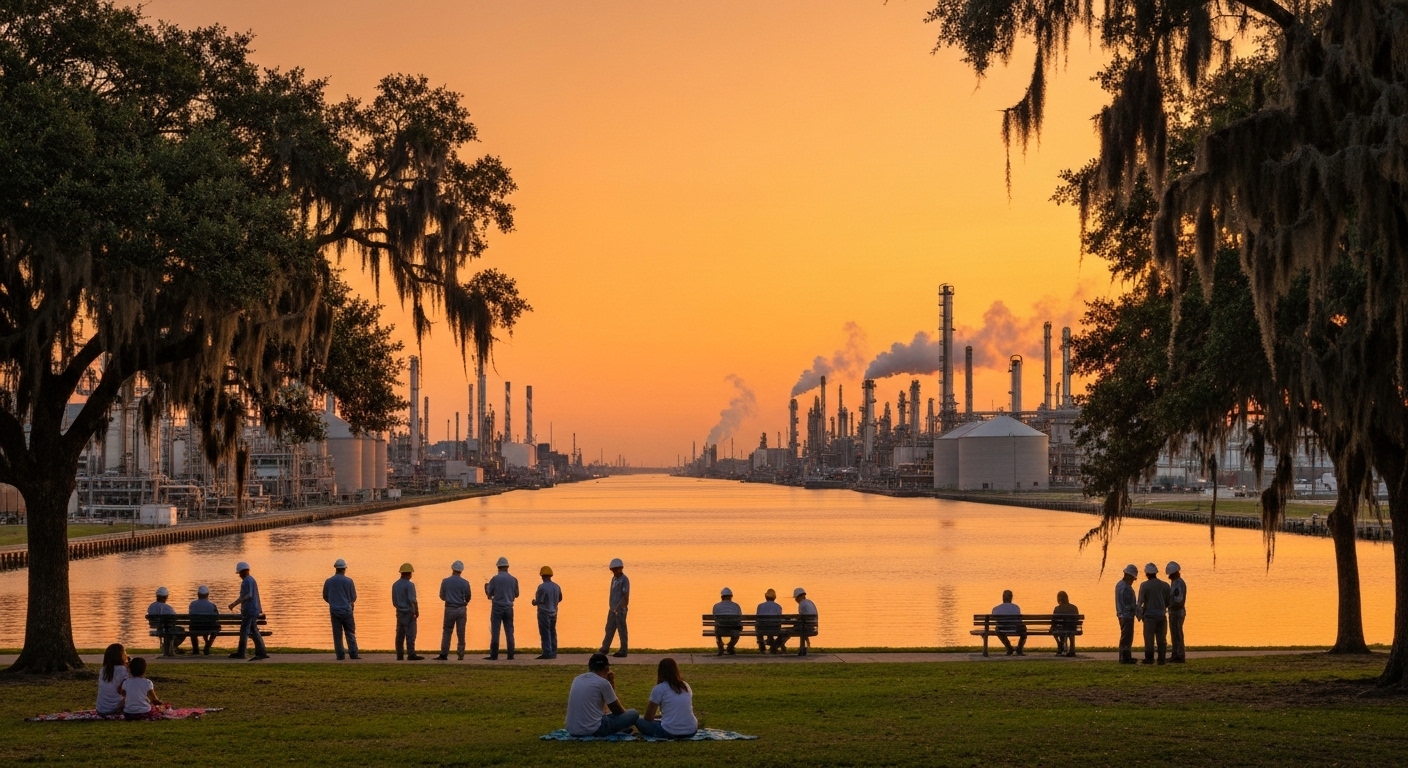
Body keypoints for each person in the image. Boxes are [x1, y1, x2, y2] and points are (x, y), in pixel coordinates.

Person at [565, 653, 639, 737]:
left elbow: (602, 711)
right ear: (607, 668)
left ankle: (618, 728)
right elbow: (618, 711)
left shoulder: (577, 679)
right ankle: (617, 728)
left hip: (572, 729)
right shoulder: (603, 683)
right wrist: (611, 683)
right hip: (594, 730)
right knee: (633, 714)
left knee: (607, 716)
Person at [637, 657, 699, 739]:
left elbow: (648, 718)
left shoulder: (659, 689)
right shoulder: (686, 686)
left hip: (669, 731)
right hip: (691, 730)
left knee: (635, 718)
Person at [227, 562, 269, 660]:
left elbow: (249, 595)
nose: (240, 576)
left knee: (244, 631)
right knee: (253, 630)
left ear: (243, 572)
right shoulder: (252, 580)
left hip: (250, 610)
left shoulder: (247, 581)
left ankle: (241, 653)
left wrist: (234, 604)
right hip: (254, 609)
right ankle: (261, 652)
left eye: (240, 573)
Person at [323, 558, 359, 661]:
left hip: (334, 610)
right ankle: (353, 654)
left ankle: (340, 655)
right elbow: (353, 597)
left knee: (337, 634)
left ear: (336, 568)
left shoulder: (328, 581)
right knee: (350, 632)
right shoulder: (349, 581)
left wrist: (333, 602)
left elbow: (325, 596)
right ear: (344, 569)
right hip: (347, 610)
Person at [1137, 562, 1172, 665]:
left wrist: (1139, 614)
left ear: (1146, 574)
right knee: (1162, 639)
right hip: (1161, 615)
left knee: (1149, 639)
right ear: (1156, 573)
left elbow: (1140, 602)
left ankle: (1149, 658)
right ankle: (1161, 659)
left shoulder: (1144, 585)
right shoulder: (1165, 585)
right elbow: (1169, 601)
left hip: (1149, 617)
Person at [484, 556, 519, 660]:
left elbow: (489, 594)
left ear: (498, 567)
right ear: (507, 567)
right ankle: (511, 654)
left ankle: (494, 655)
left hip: (497, 607)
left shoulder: (495, 579)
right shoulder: (514, 579)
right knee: (509, 631)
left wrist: (486, 588)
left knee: (495, 631)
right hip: (509, 607)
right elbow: (517, 594)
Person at [437, 560, 471, 661]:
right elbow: (468, 596)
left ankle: (444, 654)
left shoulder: (445, 581)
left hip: (449, 608)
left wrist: (449, 598)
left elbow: (442, 596)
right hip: (461, 608)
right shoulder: (465, 583)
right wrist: (464, 602)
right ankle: (460, 654)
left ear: (452, 569)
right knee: (461, 632)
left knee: (447, 631)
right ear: (461, 570)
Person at [599, 558, 630, 658]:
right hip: (612, 609)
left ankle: (623, 650)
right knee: (609, 628)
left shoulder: (624, 580)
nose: (614, 572)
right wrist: (612, 608)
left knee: (622, 630)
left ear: (620, 569)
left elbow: (625, 596)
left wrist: (619, 607)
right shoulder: (614, 579)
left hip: (620, 610)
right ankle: (604, 648)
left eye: (615, 570)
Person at [774, 587, 818, 656]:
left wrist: (791, 620)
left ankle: (775, 647)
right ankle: (779, 646)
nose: (795, 600)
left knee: (784, 631)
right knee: (788, 631)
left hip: (805, 627)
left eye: (796, 598)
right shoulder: (810, 602)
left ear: (798, 597)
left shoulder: (802, 604)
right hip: (811, 626)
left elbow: (801, 618)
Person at [392, 562, 423, 660]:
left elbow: (394, 601)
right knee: (410, 634)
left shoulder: (395, 585)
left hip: (399, 612)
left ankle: (399, 655)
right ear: (409, 573)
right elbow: (412, 600)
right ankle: (411, 654)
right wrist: (416, 611)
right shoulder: (410, 585)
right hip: (408, 612)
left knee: (399, 634)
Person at [533, 565, 563, 660]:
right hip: (554, 612)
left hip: (544, 612)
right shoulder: (556, 586)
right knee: (552, 632)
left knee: (545, 633)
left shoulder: (542, 587)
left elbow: (539, 600)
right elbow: (560, 598)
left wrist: (534, 602)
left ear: (542, 576)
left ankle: (547, 652)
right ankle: (553, 651)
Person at [146, 586, 183, 656]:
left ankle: (169, 648)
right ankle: (172, 647)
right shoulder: (167, 607)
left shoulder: (151, 606)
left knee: (170, 630)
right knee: (181, 630)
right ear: (166, 597)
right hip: (167, 628)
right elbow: (175, 617)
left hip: (157, 628)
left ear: (157, 596)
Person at [96, 643, 129, 716]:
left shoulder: (103, 669)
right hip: (114, 709)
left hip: (100, 709)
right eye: (125, 653)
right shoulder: (123, 671)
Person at [991, 589, 1027, 656]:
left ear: (1003, 598)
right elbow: (1018, 620)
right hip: (1015, 628)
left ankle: (1009, 648)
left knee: (998, 629)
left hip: (1002, 629)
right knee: (1024, 629)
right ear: (1011, 597)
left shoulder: (996, 608)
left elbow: (994, 619)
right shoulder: (1016, 607)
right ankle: (1019, 649)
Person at [187, 585, 220, 655]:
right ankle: (207, 647)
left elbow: (190, 616)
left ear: (198, 594)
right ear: (207, 594)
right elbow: (217, 617)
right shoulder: (212, 605)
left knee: (191, 627)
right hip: (209, 627)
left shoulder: (192, 604)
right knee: (217, 627)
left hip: (195, 628)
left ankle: (195, 649)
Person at [1115, 563, 1138, 664]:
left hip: (1122, 614)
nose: (1133, 581)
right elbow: (1126, 603)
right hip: (1126, 615)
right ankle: (1124, 657)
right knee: (1127, 637)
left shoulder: (1119, 585)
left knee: (1126, 636)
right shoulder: (1125, 588)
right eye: (1133, 578)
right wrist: (1135, 609)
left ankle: (1126, 656)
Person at [711, 587, 743, 656]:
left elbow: (715, 618)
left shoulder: (716, 606)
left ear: (722, 597)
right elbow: (739, 618)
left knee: (716, 626)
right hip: (733, 630)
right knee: (738, 628)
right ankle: (730, 647)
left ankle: (720, 647)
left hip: (720, 630)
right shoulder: (736, 606)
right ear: (731, 596)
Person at [1168, 561, 1187, 663]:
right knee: (1175, 634)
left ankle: (1179, 655)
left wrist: (1171, 606)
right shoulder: (1176, 582)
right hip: (1175, 611)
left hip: (1177, 612)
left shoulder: (1178, 583)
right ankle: (1175, 654)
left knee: (1177, 634)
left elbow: (1178, 599)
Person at [1052, 591, 1080, 657]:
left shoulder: (1057, 609)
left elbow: (1054, 621)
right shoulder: (1074, 607)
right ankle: (1072, 650)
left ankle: (1060, 645)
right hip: (1072, 628)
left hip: (1061, 628)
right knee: (1070, 631)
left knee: (1056, 629)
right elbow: (1077, 619)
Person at [755, 588, 783, 654]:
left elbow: (757, 619)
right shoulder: (778, 606)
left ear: (766, 597)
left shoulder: (760, 606)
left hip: (762, 628)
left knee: (758, 626)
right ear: (775, 597)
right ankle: (773, 647)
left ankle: (762, 645)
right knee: (774, 628)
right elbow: (779, 620)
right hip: (774, 628)